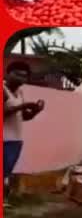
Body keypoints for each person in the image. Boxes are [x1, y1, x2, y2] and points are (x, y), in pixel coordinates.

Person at [3, 66, 45, 200]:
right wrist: (23, 106)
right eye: (17, 74)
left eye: (24, 76)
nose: (21, 78)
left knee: (6, 172)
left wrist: (34, 111)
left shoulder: (20, 92)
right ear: (8, 73)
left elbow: (22, 117)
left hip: (15, 140)